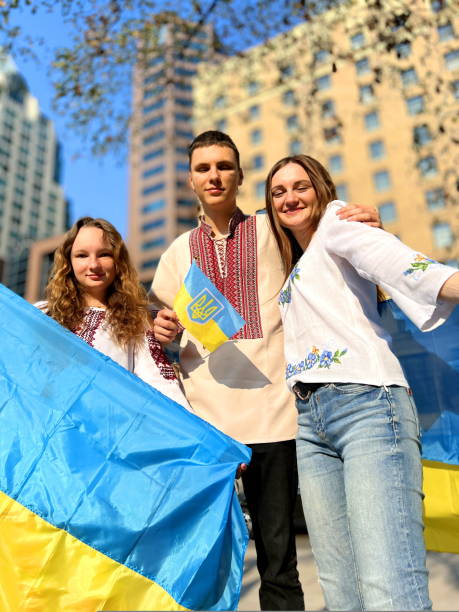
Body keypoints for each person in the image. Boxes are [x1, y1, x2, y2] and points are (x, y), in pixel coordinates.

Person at [151, 131, 381, 610]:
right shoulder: (175, 254)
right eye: (203, 168)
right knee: (201, 556)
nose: (214, 176)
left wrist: (365, 225)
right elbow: (164, 333)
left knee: (278, 559)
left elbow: (328, 248)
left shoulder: (272, 230)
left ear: (239, 175)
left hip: (277, 414)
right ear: (190, 180)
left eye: (224, 166)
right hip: (206, 424)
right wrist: (164, 331)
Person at [264, 153, 459, 611]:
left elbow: (401, 265)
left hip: (367, 408)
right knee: (341, 593)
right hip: (311, 425)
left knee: (390, 588)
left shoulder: (337, 222)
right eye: (278, 192)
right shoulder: (296, 260)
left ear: (322, 189)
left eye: (300, 185)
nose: (290, 197)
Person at [37, 216, 189, 410]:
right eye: (82, 255)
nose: (93, 265)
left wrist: (200, 434)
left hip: (106, 431)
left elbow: (159, 384)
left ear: (118, 260)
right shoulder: (42, 314)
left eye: (104, 254)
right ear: (69, 262)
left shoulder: (137, 320)